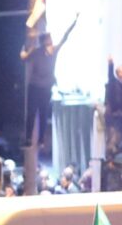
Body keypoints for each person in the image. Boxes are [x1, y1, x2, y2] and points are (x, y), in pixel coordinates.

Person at [20, 14, 78, 147]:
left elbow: (65, 37)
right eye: (49, 41)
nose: (51, 43)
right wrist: (25, 47)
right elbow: (24, 57)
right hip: (35, 86)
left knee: (43, 112)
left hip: (45, 87)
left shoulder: (53, 51)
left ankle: (40, 140)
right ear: (44, 43)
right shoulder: (36, 51)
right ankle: (29, 139)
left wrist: (74, 22)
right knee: (32, 113)